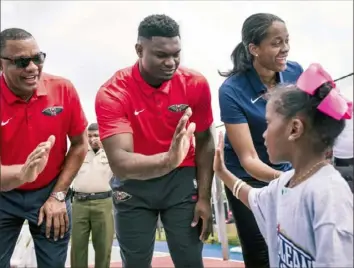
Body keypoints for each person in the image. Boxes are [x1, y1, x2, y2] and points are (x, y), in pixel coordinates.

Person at [95, 14, 215, 268]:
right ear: (139, 50)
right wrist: (168, 159)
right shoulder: (113, 92)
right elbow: (121, 163)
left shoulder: (195, 84)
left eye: (176, 54)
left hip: (181, 181)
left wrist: (204, 197)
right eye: (161, 55)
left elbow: (205, 140)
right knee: (136, 262)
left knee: (191, 260)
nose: (171, 62)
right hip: (134, 186)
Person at [214, 63, 353, 267]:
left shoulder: (329, 197)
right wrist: (222, 172)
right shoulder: (287, 182)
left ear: (294, 129)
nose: (263, 134)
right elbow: (253, 198)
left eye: (269, 123)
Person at [218, 13, 303, 267]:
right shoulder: (231, 90)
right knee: (260, 253)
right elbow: (248, 159)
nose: (285, 48)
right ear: (254, 48)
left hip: (286, 171)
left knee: (292, 246)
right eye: (276, 42)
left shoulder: (295, 72)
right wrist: (290, 181)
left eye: (286, 40)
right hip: (246, 178)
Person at [0, 28, 88, 268]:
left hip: (50, 192)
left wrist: (58, 196)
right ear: (1, 64)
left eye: (37, 58)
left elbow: (80, 144)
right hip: (3, 194)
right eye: (21, 61)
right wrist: (22, 174)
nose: (32, 67)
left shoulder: (63, 89)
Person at [70, 123, 114, 268]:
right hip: (79, 203)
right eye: (89, 136)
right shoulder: (79, 152)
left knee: (103, 247)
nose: (92, 139)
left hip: (103, 203)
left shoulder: (111, 152)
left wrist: (106, 147)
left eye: (96, 135)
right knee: (77, 247)